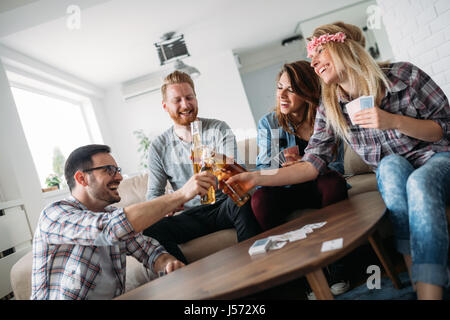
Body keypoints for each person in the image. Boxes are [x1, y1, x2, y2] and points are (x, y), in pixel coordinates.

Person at [227, 22, 450, 300]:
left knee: (418, 182)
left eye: (319, 50)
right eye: (311, 54)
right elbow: (312, 165)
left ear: (341, 46)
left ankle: (428, 292)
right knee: (391, 167)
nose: (313, 60)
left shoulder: (404, 74)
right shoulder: (330, 105)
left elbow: (443, 127)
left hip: (436, 158)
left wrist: (393, 121)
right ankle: (422, 284)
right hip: (394, 167)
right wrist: (255, 178)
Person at [31, 144, 216, 299]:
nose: (119, 177)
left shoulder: (111, 214)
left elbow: (150, 252)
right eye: (109, 170)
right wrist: (181, 194)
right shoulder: (54, 214)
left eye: (117, 170)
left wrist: (167, 263)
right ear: (82, 178)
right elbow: (108, 229)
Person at [252, 60, 349, 298]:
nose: (282, 95)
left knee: (333, 183)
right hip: (286, 189)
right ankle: (302, 277)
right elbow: (264, 168)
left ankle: (337, 268)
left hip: (319, 185)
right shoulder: (270, 123)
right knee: (260, 200)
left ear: (307, 91)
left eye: (291, 90)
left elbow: (337, 165)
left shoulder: (326, 115)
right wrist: (287, 170)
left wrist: (309, 167)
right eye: (279, 87)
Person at [143, 70, 262, 264]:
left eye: (189, 97)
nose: (186, 105)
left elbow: (237, 172)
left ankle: (258, 272)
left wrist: (214, 159)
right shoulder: (158, 147)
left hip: (225, 204)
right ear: (165, 106)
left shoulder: (218, 128)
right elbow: (153, 197)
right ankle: (191, 284)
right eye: (177, 100)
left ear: (196, 99)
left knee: (245, 202)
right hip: (192, 214)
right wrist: (170, 203)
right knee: (151, 231)